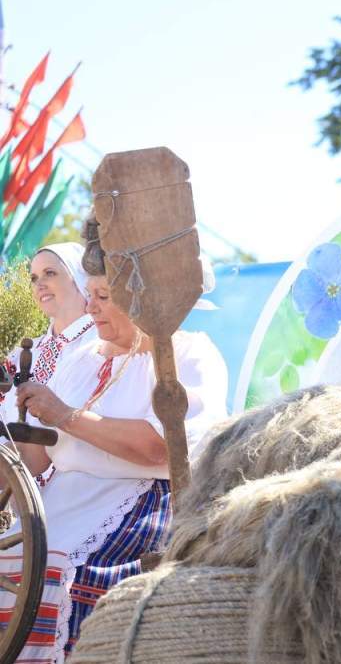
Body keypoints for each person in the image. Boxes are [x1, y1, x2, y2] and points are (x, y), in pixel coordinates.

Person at [0, 224, 229, 660]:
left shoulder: (186, 354)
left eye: (104, 297)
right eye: (90, 294)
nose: (91, 307)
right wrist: (18, 427)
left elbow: (162, 447)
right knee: (10, 563)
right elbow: (36, 462)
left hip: (139, 506)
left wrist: (66, 415)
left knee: (58, 571)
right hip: (58, 503)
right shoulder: (81, 358)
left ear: (144, 301)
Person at [1, 243, 97, 405]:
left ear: (79, 277)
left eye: (50, 273)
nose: (39, 285)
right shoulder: (20, 353)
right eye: (34, 278)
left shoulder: (103, 347)